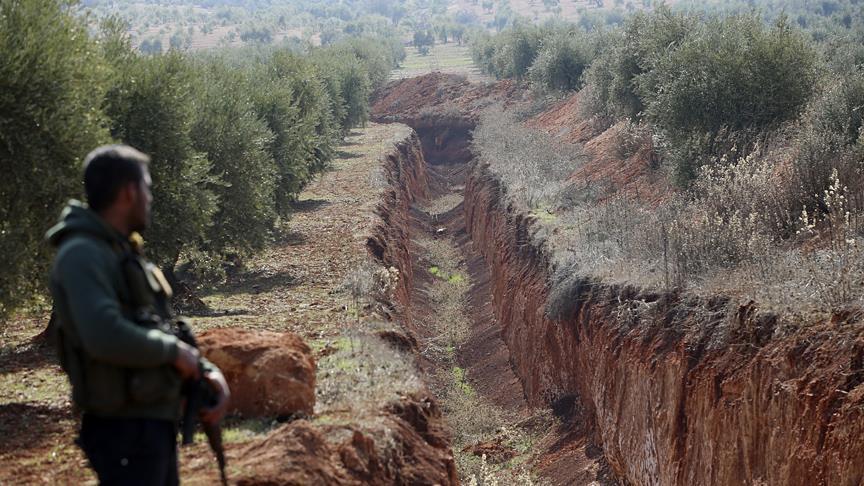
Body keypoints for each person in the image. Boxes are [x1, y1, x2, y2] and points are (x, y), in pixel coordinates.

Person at [46, 145, 230, 485]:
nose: (150, 197)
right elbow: (104, 334)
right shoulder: (82, 254)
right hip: (122, 430)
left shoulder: (119, 251)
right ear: (130, 192)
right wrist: (176, 353)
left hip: (148, 423)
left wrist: (205, 370)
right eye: (147, 187)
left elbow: (154, 326)